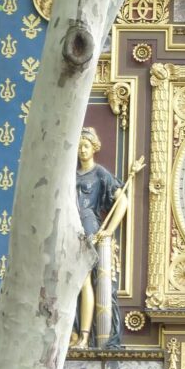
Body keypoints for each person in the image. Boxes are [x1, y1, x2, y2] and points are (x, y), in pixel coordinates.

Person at [74, 127, 128, 349]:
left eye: (85, 146)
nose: (82, 151)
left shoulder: (100, 174)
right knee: (73, 283)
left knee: (84, 280)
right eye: (78, 147)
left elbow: (122, 201)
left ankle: (85, 337)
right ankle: (75, 335)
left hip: (88, 227)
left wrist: (108, 230)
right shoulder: (71, 175)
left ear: (94, 148)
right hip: (71, 227)